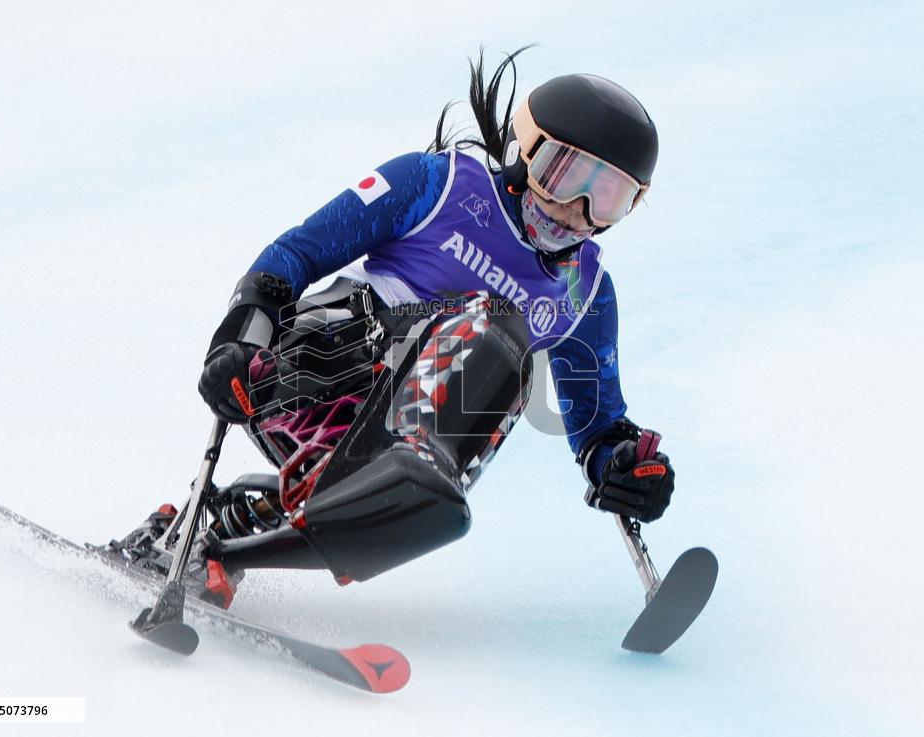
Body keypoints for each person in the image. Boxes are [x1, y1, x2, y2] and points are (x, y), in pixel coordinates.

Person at [112, 49, 676, 608]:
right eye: (565, 174)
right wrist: (238, 341)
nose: (577, 209)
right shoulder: (438, 184)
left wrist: (623, 465)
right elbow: (292, 257)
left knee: (502, 372)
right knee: (498, 323)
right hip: (315, 368)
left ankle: (219, 535)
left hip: (403, 441)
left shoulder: (586, 292)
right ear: (522, 150)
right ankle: (399, 472)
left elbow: (598, 425)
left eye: (609, 198)